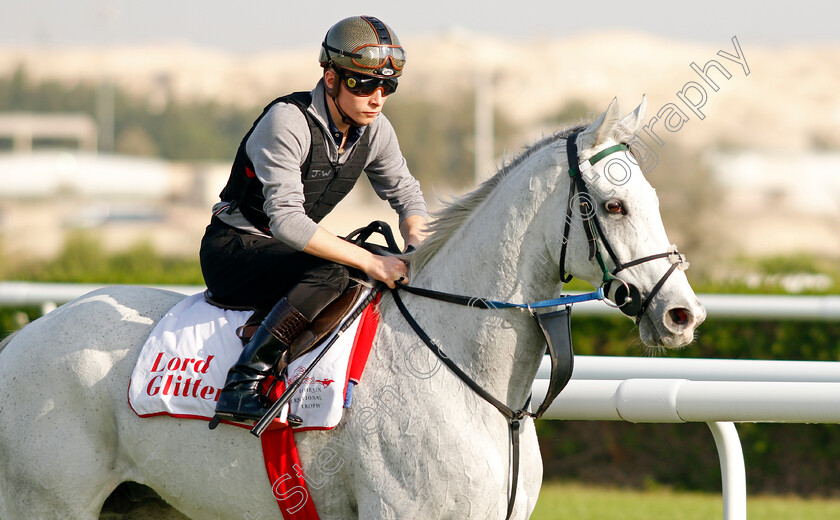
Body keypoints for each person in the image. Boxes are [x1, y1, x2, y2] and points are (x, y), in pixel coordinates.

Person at [200, 15, 428, 423]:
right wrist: (371, 261)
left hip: (283, 250)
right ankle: (242, 383)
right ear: (330, 78)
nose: (377, 97)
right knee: (346, 266)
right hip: (234, 249)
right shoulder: (286, 121)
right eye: (363, 83)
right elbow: (288, 222)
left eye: (387, 86)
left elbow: (408, 196)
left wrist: (417, 248)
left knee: (369, 258)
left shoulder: (376, 130)